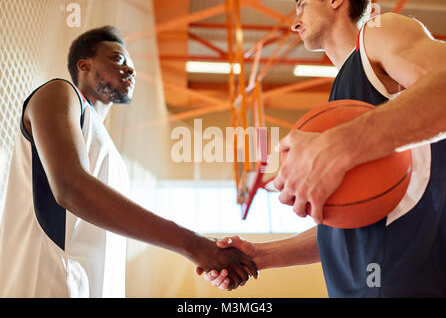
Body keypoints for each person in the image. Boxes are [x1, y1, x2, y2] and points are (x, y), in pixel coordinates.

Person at [201, 0, 446, 297]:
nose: (294, 22)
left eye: (302, 5)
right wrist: (261, 255)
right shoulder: (341, 99)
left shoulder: (379, 34)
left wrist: (342, 143)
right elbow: (353, 221)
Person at [0, 26, 257, 298]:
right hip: (43, 282)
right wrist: (195, 246)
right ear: (84, 65)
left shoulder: (105, 144)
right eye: (118, 59)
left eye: (132, 64)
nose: (131, 69)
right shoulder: (59, 93)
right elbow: (71, 188)